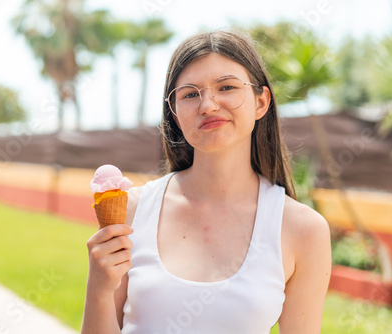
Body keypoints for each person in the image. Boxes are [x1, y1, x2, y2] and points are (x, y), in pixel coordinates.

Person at [81, 30, 331, 334]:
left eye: (226, 87)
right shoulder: (133, 211)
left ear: (261, 102)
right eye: (190, 94)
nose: (208, 105)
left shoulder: (304, 230)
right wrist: (98, 287)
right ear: (173, 112)